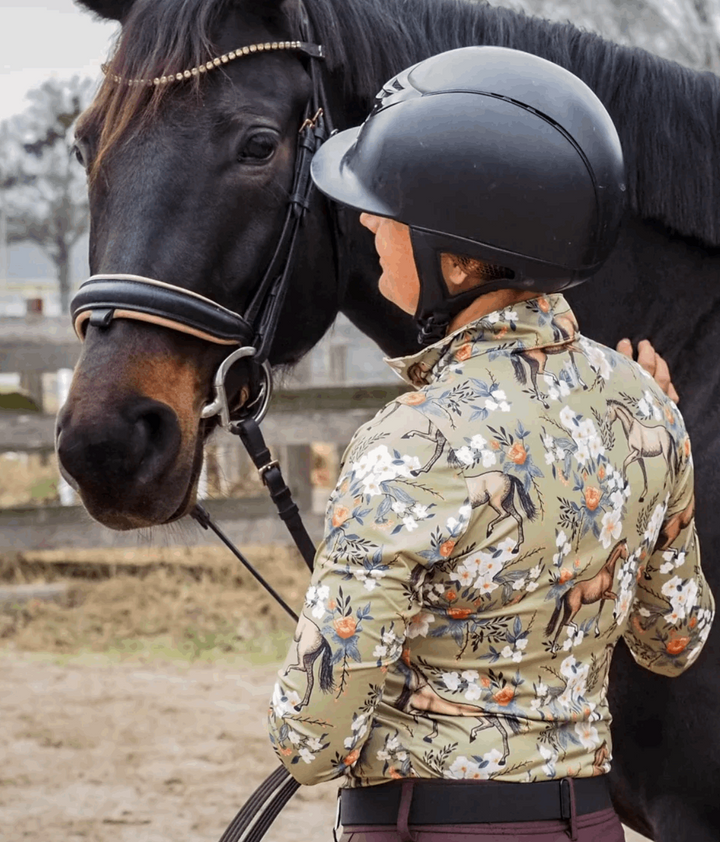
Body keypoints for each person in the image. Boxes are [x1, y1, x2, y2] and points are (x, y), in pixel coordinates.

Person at [267, 47, 713, 842]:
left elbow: (310, 738)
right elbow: (673, 638)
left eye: (389, 208)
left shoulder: (409, 442)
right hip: (587, 824)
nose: (368, 221)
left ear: (461, 256)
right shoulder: (647, 405)